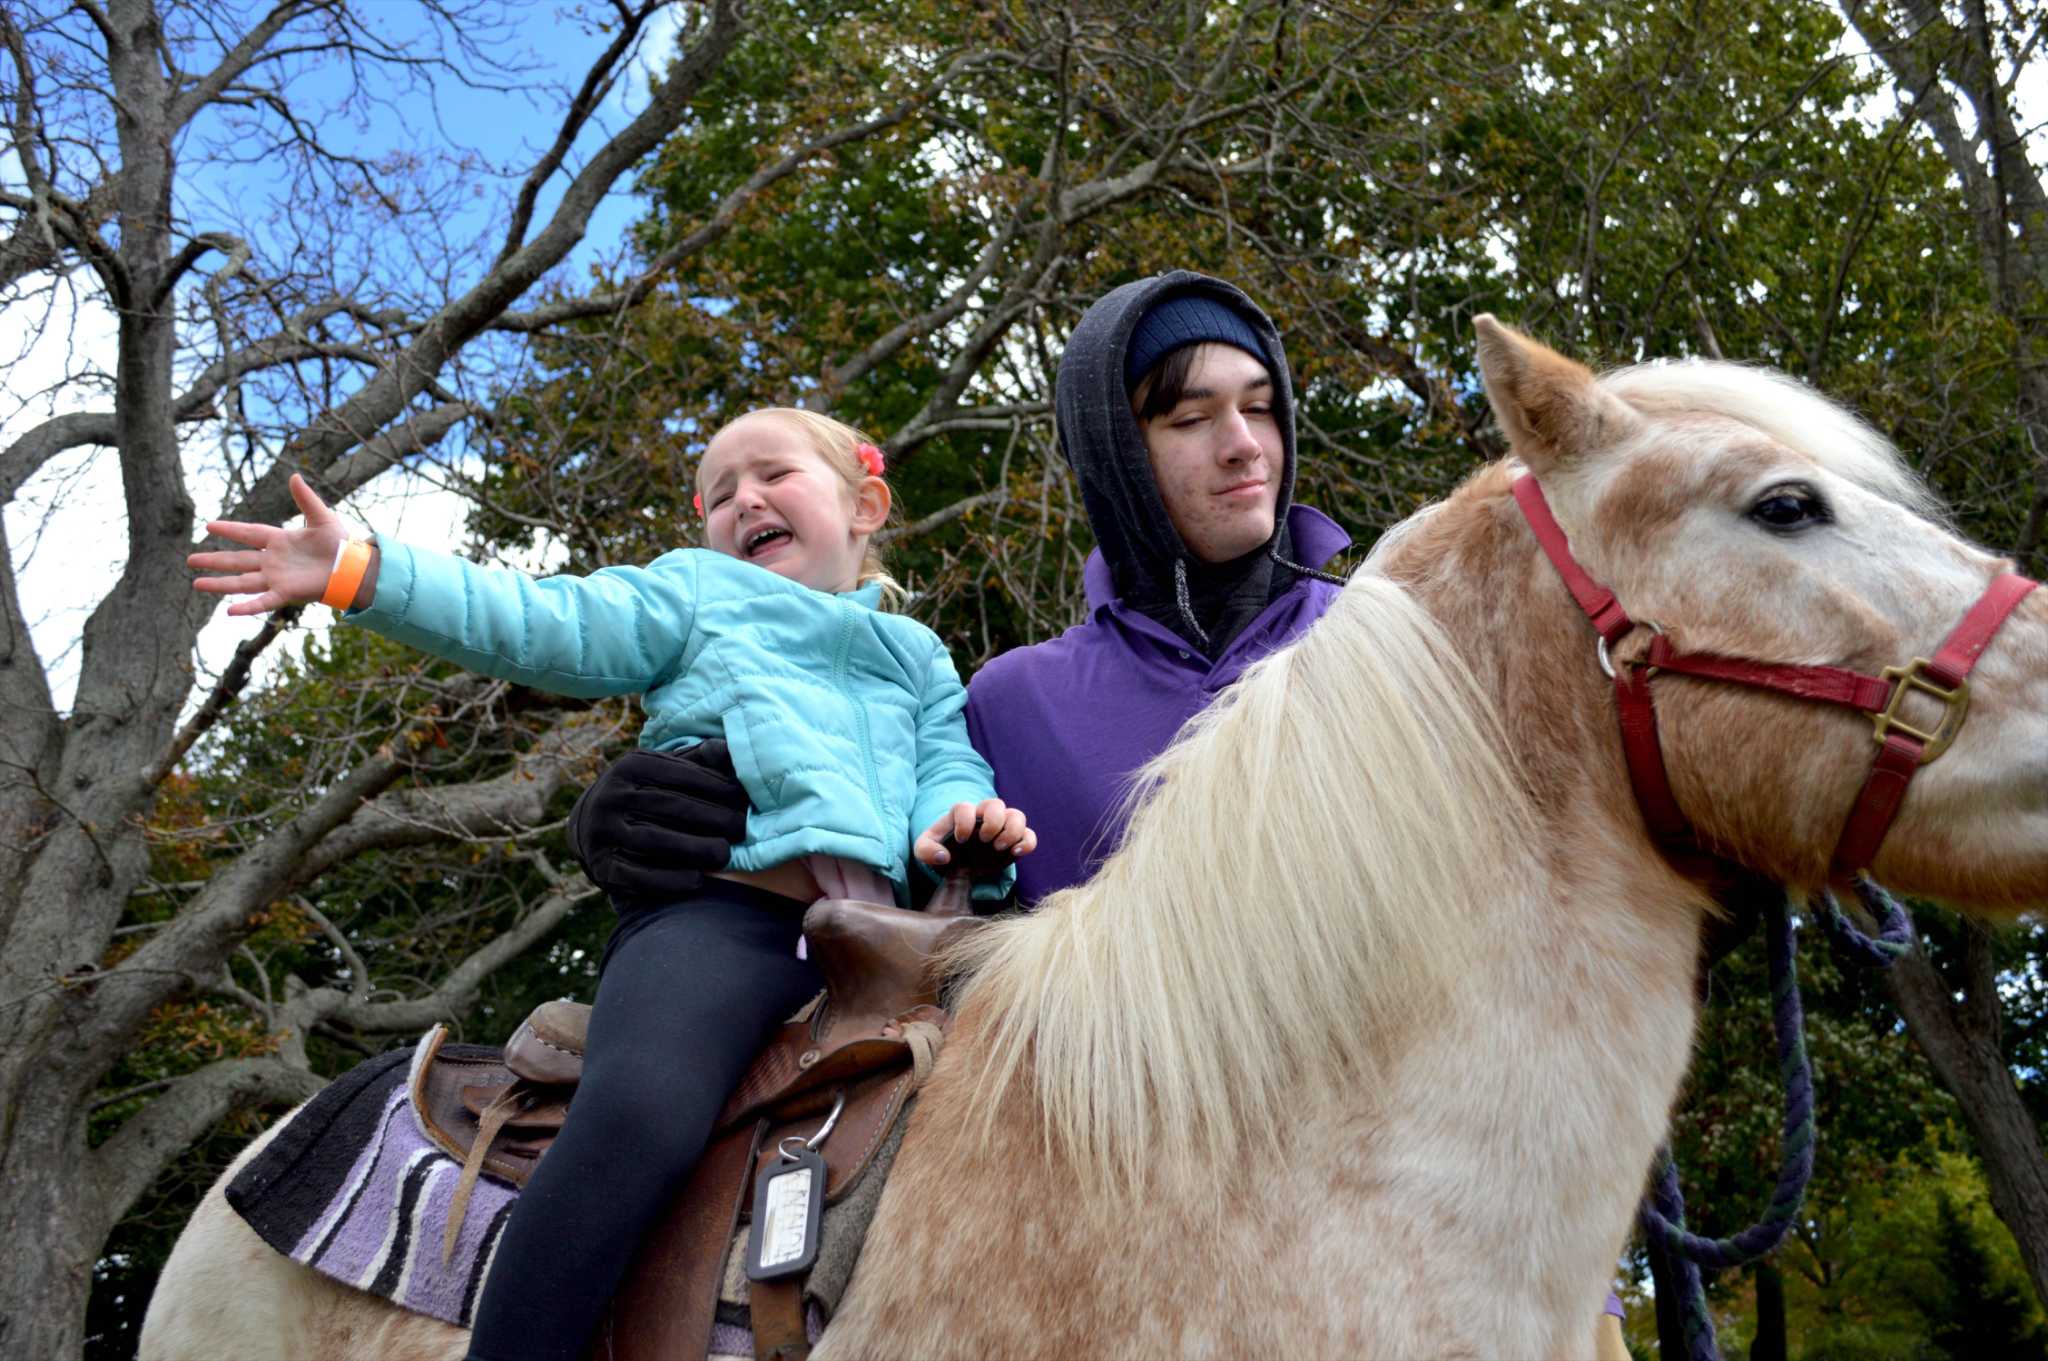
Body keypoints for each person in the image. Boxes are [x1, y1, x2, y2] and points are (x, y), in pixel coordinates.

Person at [565, 273, 1632, 1361]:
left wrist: (1576, 1286)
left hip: (1417, 1244)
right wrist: (646, 822)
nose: (1242, 443)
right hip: (1119, 1267)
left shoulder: (1400, 656)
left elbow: (1531, 956)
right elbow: (890, 896)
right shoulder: (1011, 699)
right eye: (1187, 415)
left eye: (1260, 406)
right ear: (1114, 456)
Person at [187, 407, 1034, 1361]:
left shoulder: (918, 655)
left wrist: (966, 822)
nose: (741, 500)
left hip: (891, 949)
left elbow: (947, 765)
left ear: (865, 504)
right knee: (641, 1115)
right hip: (724, 921)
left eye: (773, 475)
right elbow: (544, 622)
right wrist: (364, 570)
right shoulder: (700, 592)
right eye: (718, 495)